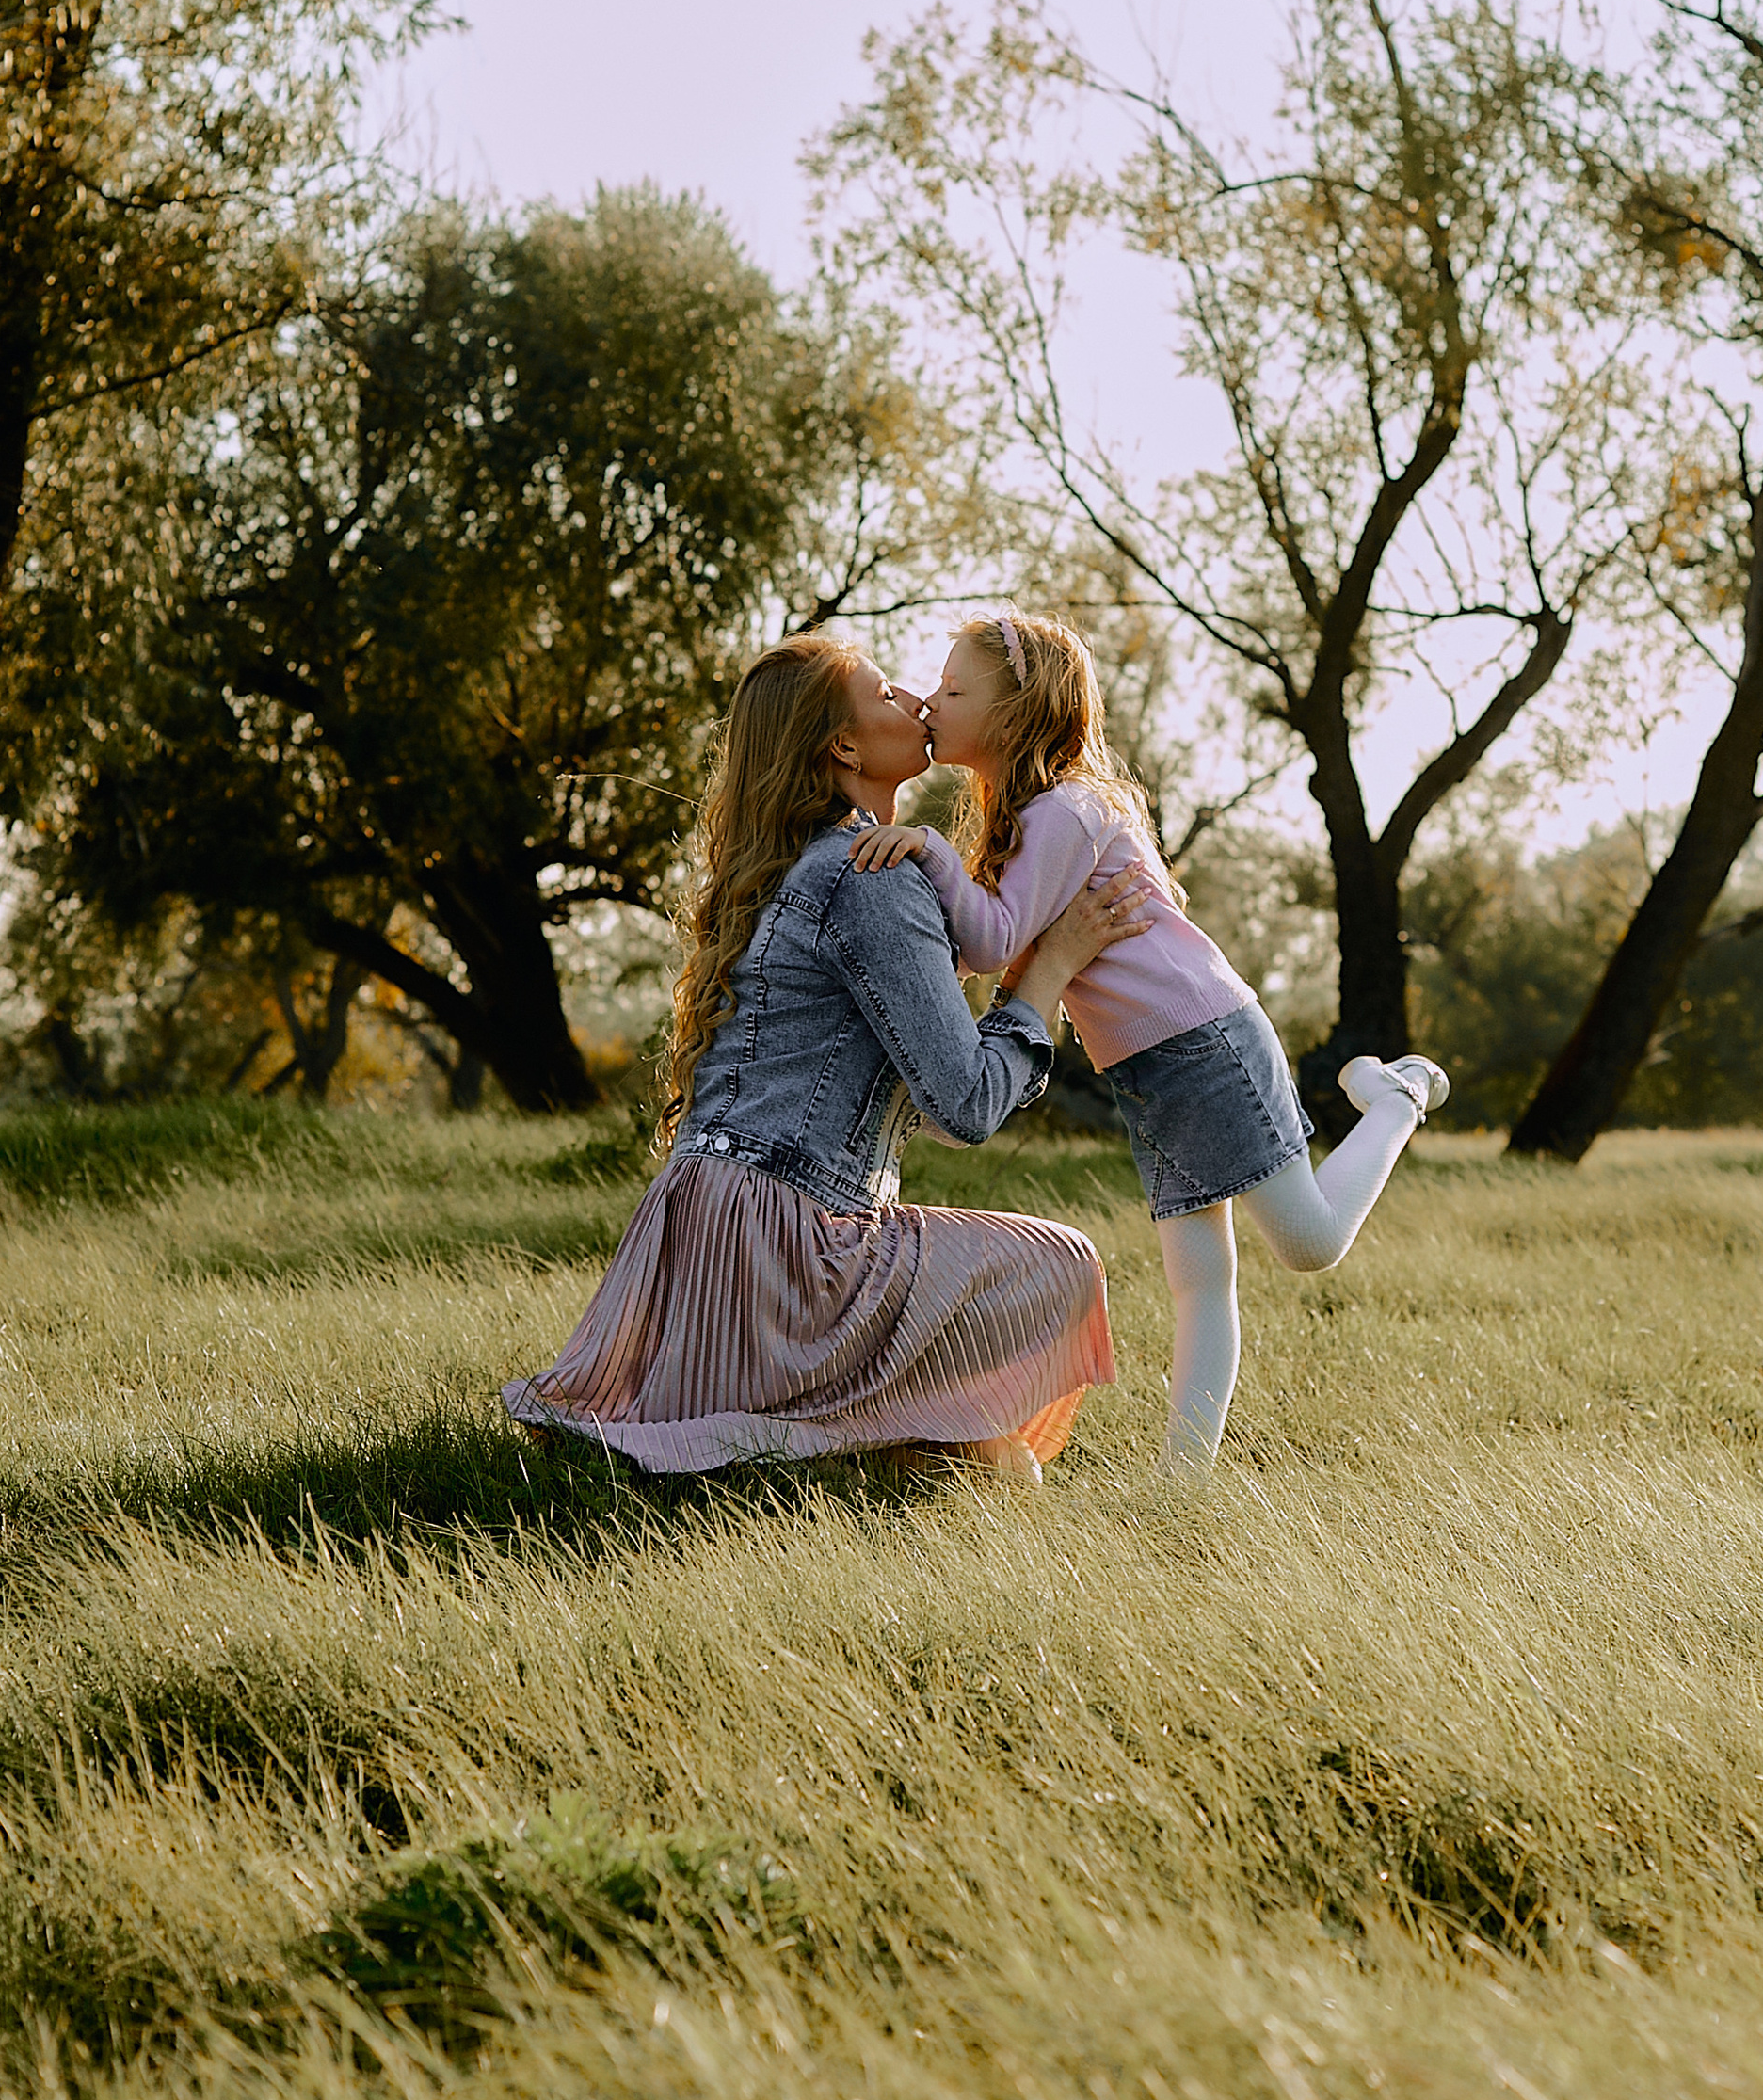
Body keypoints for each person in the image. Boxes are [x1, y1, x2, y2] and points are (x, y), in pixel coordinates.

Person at [502, 632, 1150, 1482]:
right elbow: (967, 1107)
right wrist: (1053, 970)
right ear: (844, 745)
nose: (917, 700)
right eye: (887, 694)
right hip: (790, 1251)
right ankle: (845, 1443)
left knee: (990, 1456)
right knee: (1063, 1262)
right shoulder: (869, 879)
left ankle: (868, 1445)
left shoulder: (817, 869)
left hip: (709, 1236)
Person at [849, 609, 1448, 1476]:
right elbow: (1002, 947)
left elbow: (991, 940)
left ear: (1017, 714)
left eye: (953, 690)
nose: (933, 703)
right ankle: (1182, 1484)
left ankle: (1394, 1100)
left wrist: (929, 854)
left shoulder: (1070, 807)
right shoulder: (1036, 817)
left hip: (1204, 1041)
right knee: (1199, 1281)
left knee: (1308, 1242)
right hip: (1150, 1069)